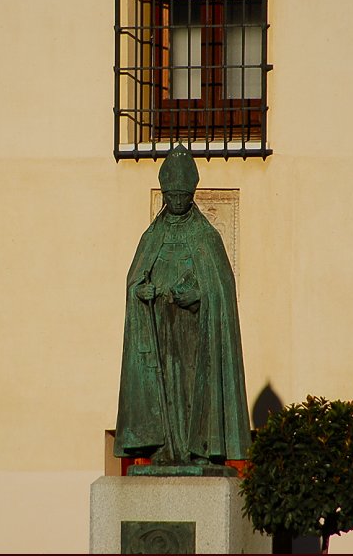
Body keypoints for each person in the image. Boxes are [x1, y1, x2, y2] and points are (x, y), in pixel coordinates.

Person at [114, 144, 251, 469]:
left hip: (196, 335)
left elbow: (221, 289)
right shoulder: (153, 236)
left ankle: (199, 450)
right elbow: (134, 281)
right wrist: (141, 292)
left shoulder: (205, 236)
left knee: (192, 391)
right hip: (160, 332)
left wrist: (200, 296)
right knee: (164, 390)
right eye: (170, 197)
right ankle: (165, 451)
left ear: (190, 195)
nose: (175, 203)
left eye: (180, 197)